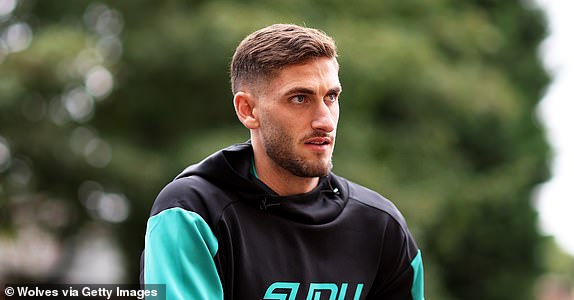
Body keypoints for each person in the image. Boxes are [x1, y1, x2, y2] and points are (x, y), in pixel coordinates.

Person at [140, 23, 425, 300]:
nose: (325, 121)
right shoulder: (192, 213)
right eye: (300, 98)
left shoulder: (381, 225)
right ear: (247, 110)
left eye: (331, 97)